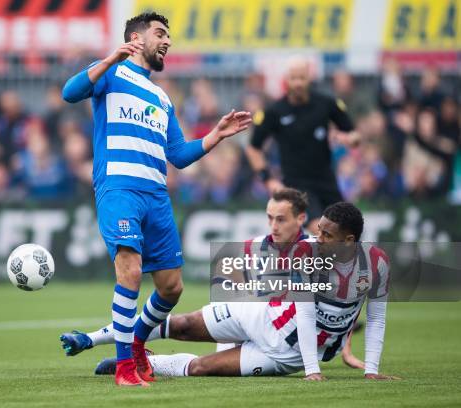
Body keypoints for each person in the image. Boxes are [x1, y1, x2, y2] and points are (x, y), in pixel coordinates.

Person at [61, 12, 251, 386]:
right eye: (160, 33)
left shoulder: (162, 98)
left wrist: (215, 135)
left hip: (156, 195)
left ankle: (134, 345)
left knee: (171, 287)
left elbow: (178, 154)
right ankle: (126, 367)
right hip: (119, 189)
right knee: (129, 271)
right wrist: (111, 59)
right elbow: (70, 93)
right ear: (136, 38)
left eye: (168, 36)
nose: (167, 41)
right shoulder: (111, 73)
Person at [91, 203, 399, 381]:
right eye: (318, 229)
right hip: (266, 315)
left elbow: (377, 319)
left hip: (285, 352)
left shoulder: (376, 264)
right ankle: (108, 345)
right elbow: (304, 312)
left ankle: (147, 363)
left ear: (349, 240)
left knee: (199, 368)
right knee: (182, 325)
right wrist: (313, 371)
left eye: (327, 235)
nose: (317, 238)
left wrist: (370, 371)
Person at [246, 57, 360, 233]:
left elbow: (353, 133)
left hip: (326, 180)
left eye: (302, 78)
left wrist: (350, 140)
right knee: (320, 229)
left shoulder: (326, 104)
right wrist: (268, 179)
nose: (298, 83)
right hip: (296, 184)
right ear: (286, 79)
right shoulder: (274, 111)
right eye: (293, 78)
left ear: (309, 78)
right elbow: (254, 148)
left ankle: (328, 260)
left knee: (345, 231)